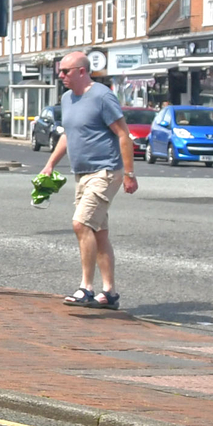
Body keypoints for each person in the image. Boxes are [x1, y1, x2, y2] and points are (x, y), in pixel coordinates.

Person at [40, 50, 138, 310]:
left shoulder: (102, 96)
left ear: (82, 71)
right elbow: (67, 135)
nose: (61, 76)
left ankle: (86, 287)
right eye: (60, 71)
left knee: (80, 224)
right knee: (99, 232)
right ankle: (109, 292)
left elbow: (123, 135)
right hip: (81, 174)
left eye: (65, 71)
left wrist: (129, 174)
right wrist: (50, 164)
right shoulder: (67, 98)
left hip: (105, 171)